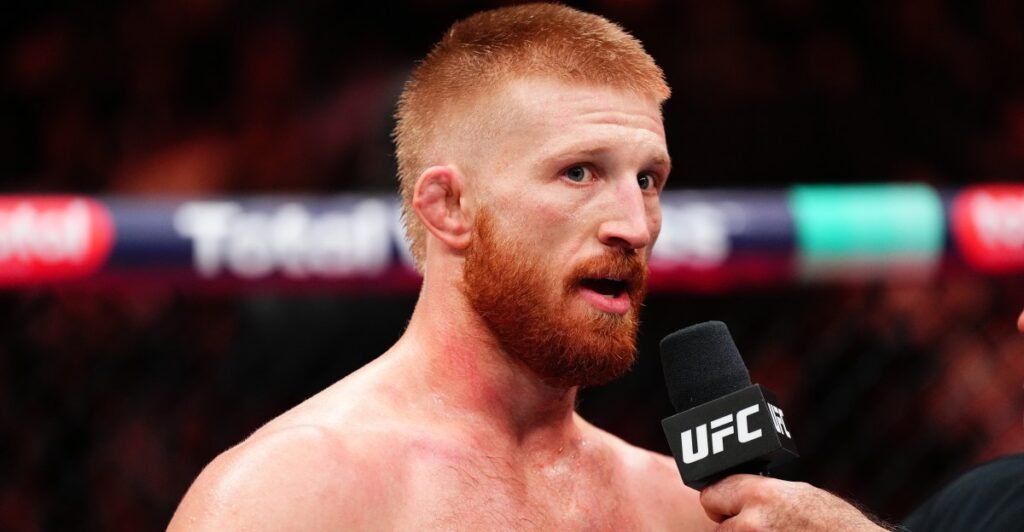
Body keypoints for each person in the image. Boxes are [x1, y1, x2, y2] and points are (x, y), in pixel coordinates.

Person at [170, 4, 888, 530]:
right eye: (579, 172)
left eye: (647, 179)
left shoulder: (682, 508)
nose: (635, 225)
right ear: (450, 206)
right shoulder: (289, 497)